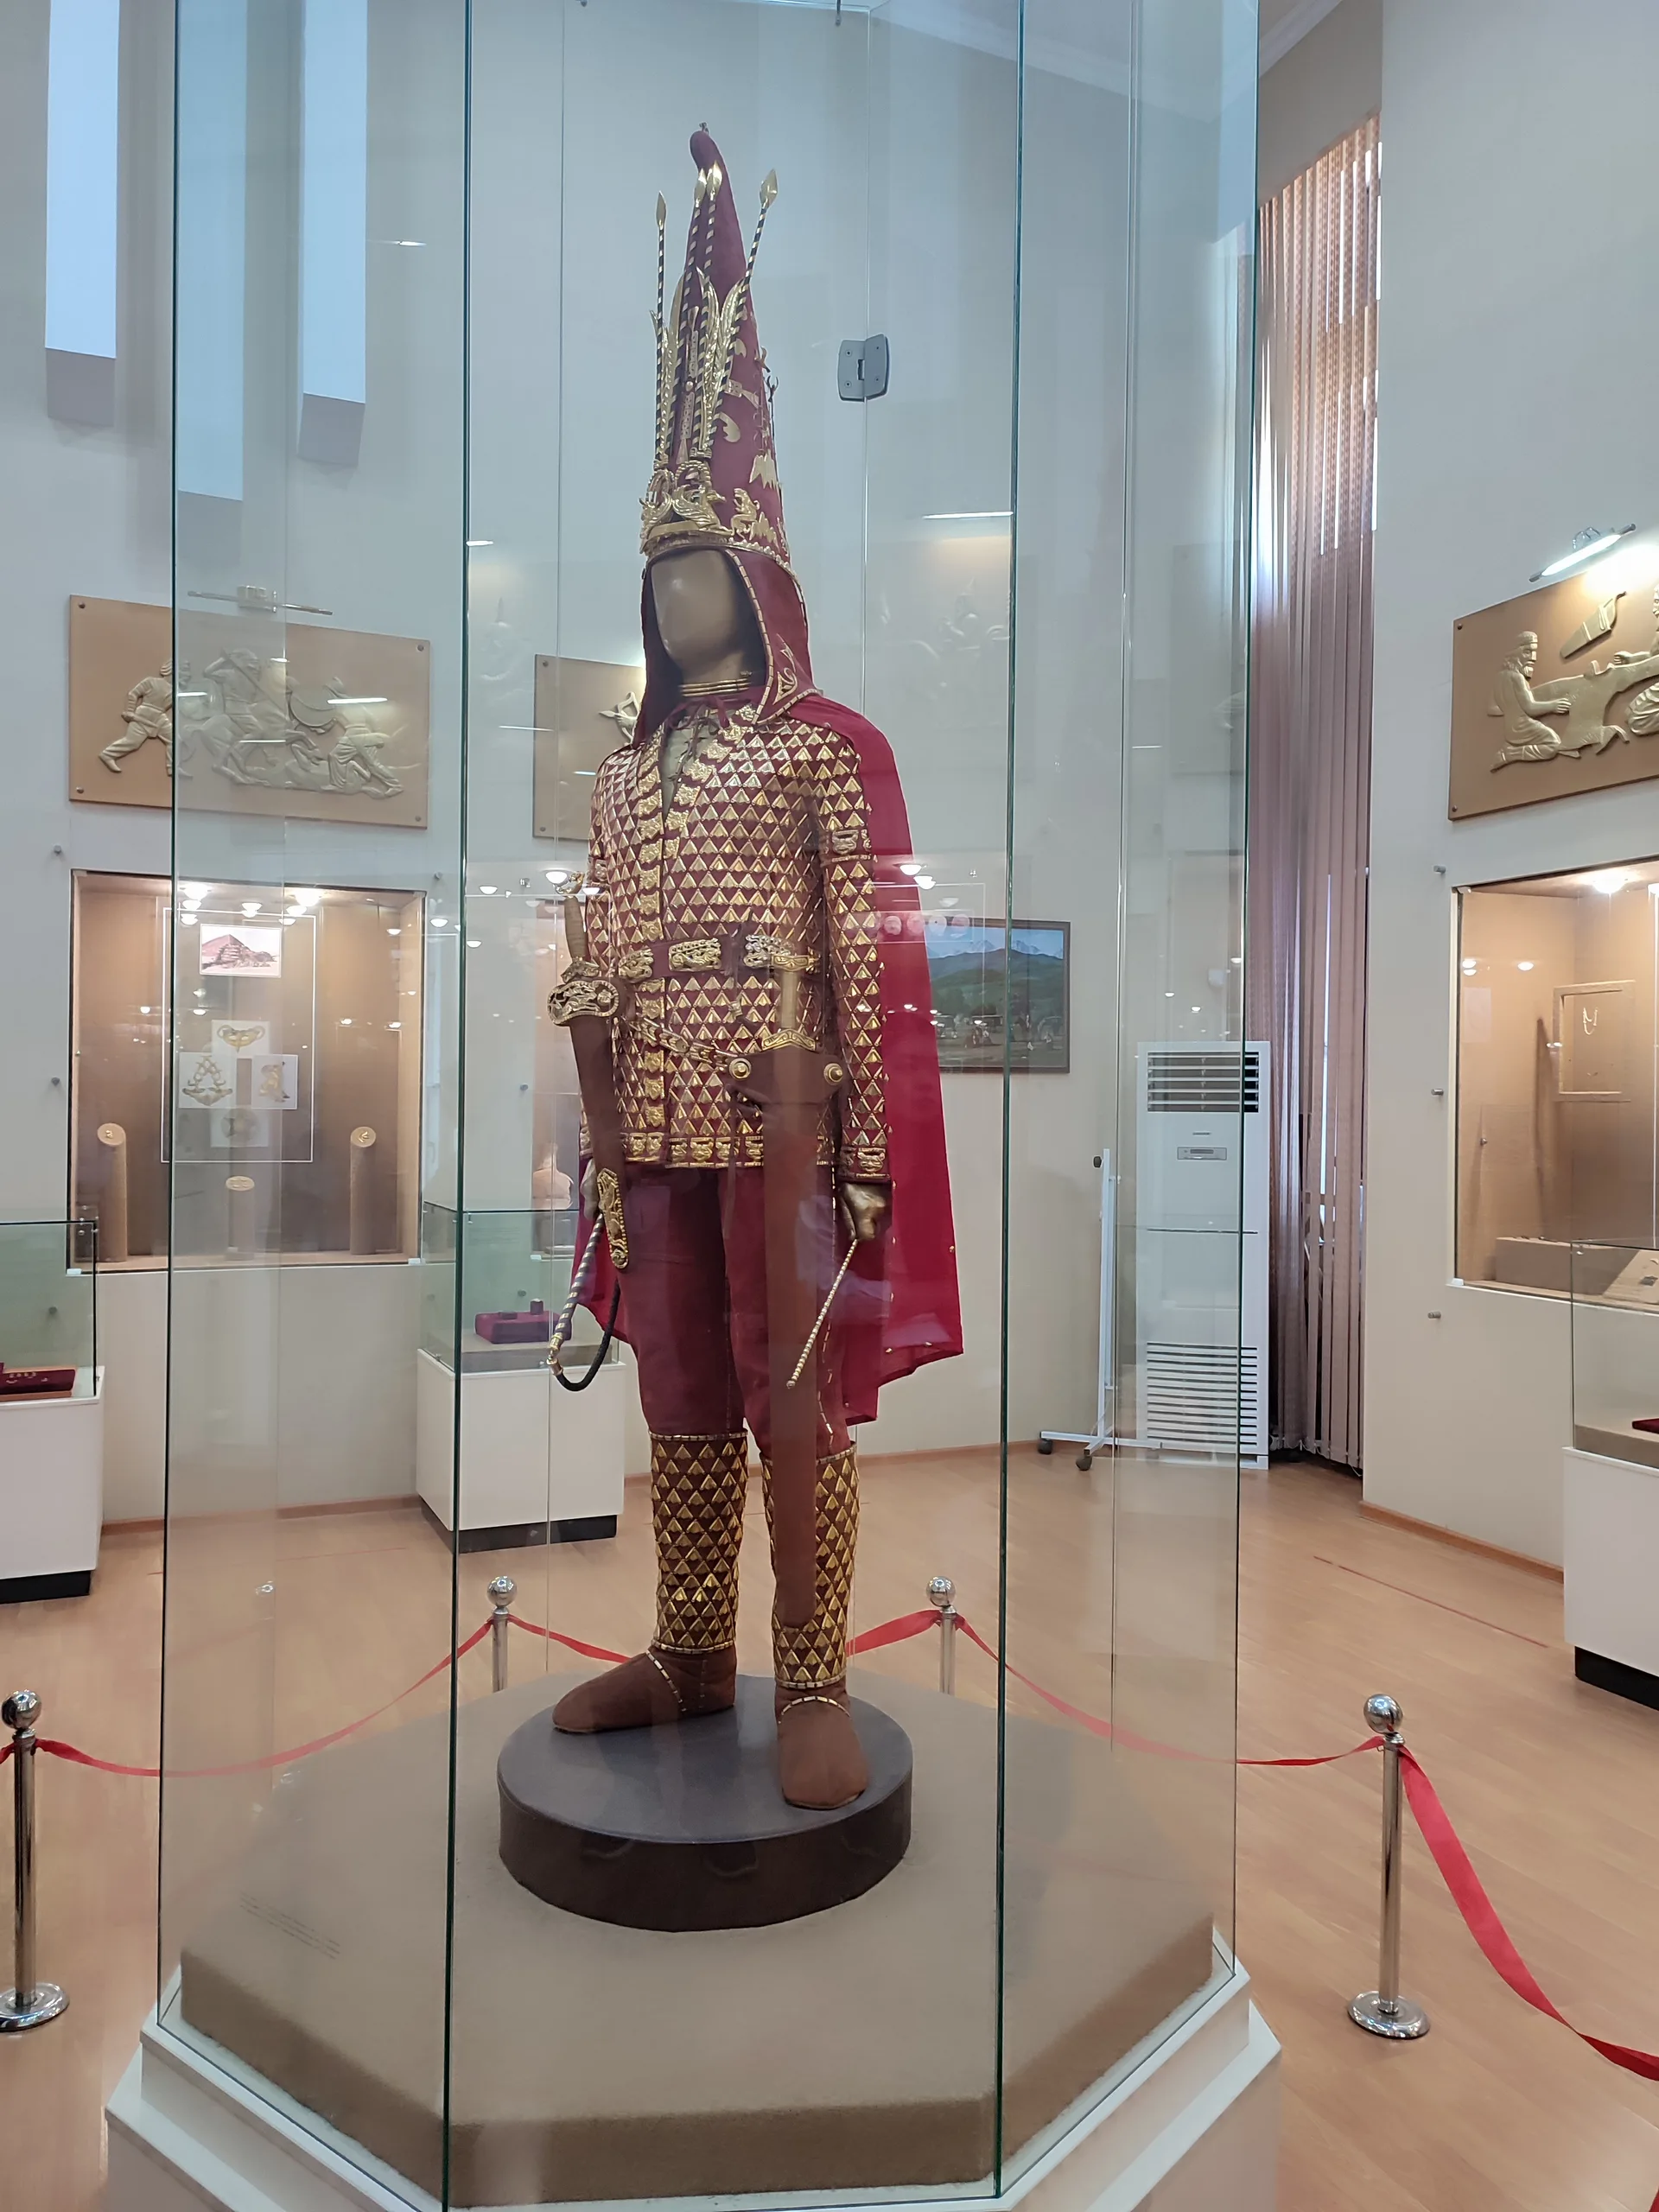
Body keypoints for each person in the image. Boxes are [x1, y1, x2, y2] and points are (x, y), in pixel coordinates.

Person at [547, 130, 962, 1810]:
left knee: (794, 1402)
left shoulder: (818, 749)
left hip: (786, 1114)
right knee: (686, 1393)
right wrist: (587, 1056)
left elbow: (868, 956)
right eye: (654, 576)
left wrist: (864, 1150)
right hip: (651, 1116)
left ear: (755, 580)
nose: (670, 595)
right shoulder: (617, 770)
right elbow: (597, 935)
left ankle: (809, 1673)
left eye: (693, 567)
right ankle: (690, 1640)